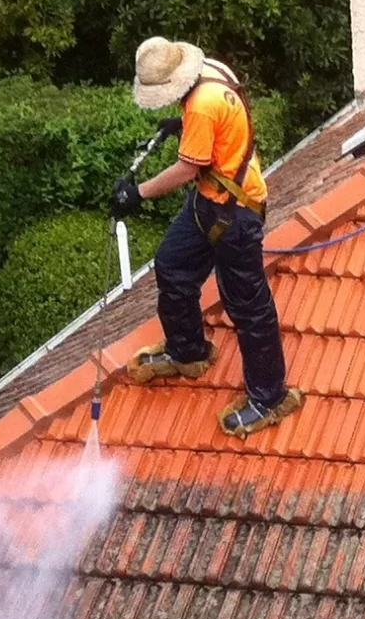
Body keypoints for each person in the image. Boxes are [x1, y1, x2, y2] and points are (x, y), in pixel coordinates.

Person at [116, 36, 303, 438]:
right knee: (172, 266)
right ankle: (187, 351)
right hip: (209, 200)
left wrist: (137, 194)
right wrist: (181, 127)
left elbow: (187, 169)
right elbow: (219, 128)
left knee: (248, 308)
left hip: (235, 213)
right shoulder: (213, 71)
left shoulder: (202, 105)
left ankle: (270, 397)